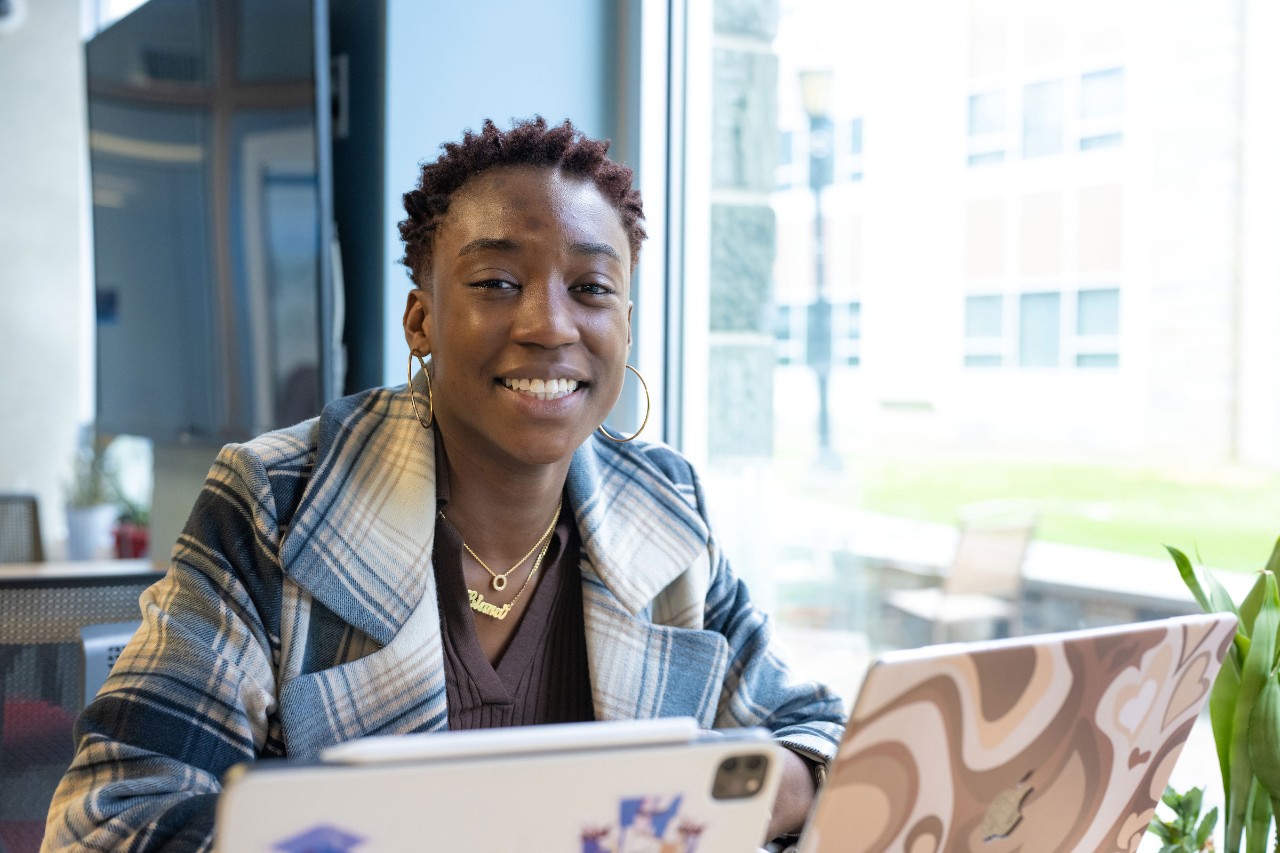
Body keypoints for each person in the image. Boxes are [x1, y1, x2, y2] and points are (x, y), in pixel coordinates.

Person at [42, 117, 846, 851]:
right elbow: (110, 819)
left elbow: (821, 734)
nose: (550, 324)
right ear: (421, 320)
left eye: (593, 289)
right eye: (497, 282)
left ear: (625, 325)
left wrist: (770, 786)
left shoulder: (667, 511)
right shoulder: (275, 502)